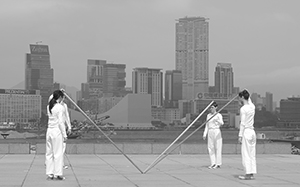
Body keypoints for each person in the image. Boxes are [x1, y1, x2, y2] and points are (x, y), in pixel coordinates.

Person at [45, 90, 67, 180]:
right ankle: (58, 173)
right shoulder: (60, 107)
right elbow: (61, 122)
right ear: (61, 97)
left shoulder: (49, 106)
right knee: (58, 153)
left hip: (49, 131)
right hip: (57, 131)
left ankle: (49, 173)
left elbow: (51, 98)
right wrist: (64, 134)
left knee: (49, 153)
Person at [238, 89, 257, 180]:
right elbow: (249, 101)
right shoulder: (252, 107)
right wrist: (246, 94)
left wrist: (240, 135)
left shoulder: (243, 109)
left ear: (242, 97)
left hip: (246, 132)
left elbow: (242, 123)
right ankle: (252, 172)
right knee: (252, 154)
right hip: (252, 132)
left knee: (246, 153)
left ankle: (248, 174)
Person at [203, 101, 224, 169]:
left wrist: (216, 120)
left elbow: (222, 123)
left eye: (212, 107)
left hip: (216, 130)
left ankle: (218, 163)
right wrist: (205, 133)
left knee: (218, 147)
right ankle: (213, 163)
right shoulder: (208, 115)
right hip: (210, 131)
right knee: (210, 147)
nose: (211, 109)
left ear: (216, 108)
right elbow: (207, 125)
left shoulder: (218, 115)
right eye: (210, 108)